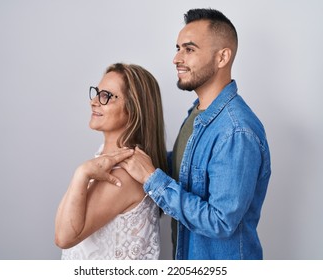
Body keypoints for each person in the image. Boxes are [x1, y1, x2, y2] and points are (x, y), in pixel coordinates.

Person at [119, 8, 271, 259]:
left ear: (222, 57)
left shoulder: (236, 130)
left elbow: (220, 222)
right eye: (178, 48)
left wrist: (152, 178)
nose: (177, 58)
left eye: (189, 49)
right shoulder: (198, 114)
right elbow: (185, 171)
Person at [55, 63, 168, 260]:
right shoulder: (103, 160)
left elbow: (63, 238)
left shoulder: (123, 175)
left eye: (106, 96)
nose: (94, 102)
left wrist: (81, 173)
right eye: (97, 93)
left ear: (133, 110)